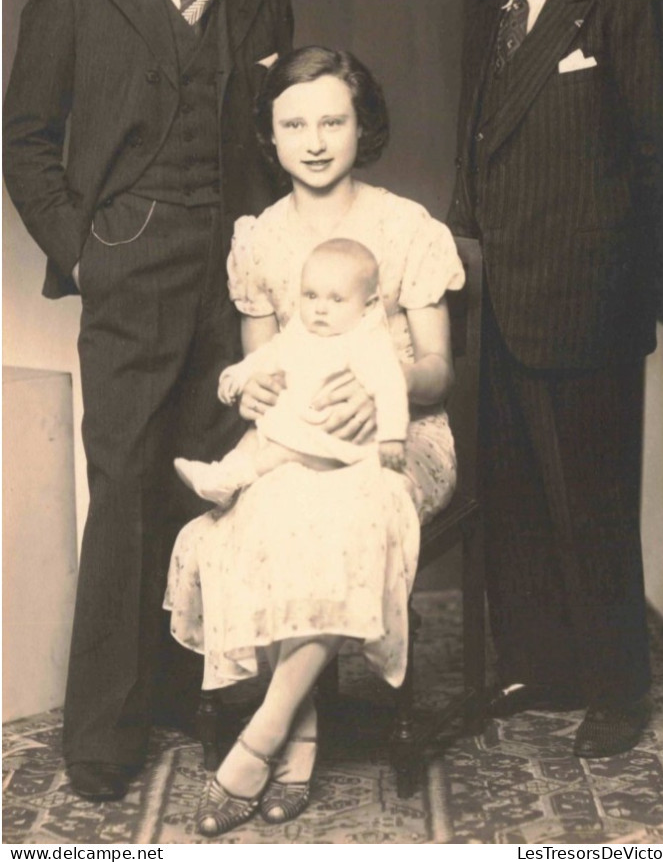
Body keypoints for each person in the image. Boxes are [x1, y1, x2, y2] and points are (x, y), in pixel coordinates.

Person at [2, 0, 294, 802]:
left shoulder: (263, 1)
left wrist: (273, 270)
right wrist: (80, 250)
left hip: (234, 276)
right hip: (127, 267)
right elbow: (27, 137)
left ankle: (203, 699)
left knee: (217, 488)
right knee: (125, 489)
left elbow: (278, 143)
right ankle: (104, 731)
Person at [164, 45, 465, 835]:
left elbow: (438, 370)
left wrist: (383, 391)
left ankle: (262, 737)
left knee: (348, 518)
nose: (316, 139)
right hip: (296, 440)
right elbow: (261, 362)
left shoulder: (405, 228)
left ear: (361, 125)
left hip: (399, 443)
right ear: (270, 135)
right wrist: (254, 381)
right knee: (261, 518)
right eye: (294, 123)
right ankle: (297, 737)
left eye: (333, 119)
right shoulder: (258, 239)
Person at [447, 0, 663, 758]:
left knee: (594, 504)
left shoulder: (615, 4)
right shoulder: (497, 13)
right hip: (504, 296)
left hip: (588, 304)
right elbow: (479, 156)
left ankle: (617, 688)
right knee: (519, 497)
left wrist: (623, 288)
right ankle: (543, 663)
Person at [173, 236, 409, 504]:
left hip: (339, 442)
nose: (320, 308)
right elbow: (271, 353)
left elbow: (391, 385)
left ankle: (232, 478)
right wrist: (239, 376)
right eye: (311, 295)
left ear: (367, 304)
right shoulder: (303, 330)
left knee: (278, 452)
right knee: (254, 439)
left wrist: (392, 436)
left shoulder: (365, 340)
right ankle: (221, 481)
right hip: (303, 426)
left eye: (336, 299)